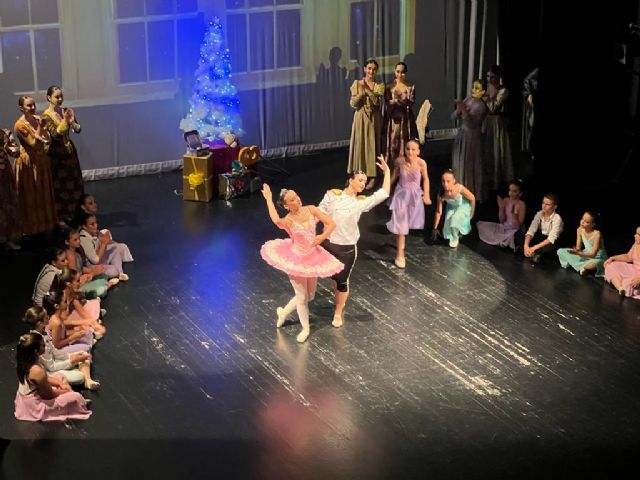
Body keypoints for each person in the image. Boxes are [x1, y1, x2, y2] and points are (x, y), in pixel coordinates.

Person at [260, 185, 343, 343]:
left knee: (310, 296)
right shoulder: (289, 220)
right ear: (286, 206)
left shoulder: (311, 209)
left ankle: (284, 313)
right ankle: (305, 328)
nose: (297, 199)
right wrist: (269, 199)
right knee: (302, 296)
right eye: (292, 199)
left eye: (296, 196)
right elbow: (276, 220)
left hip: (313, 258)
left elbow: (331, 223)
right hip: (296, 259)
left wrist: (321, 237)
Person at [319, 155, 391, 327]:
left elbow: (384, 193)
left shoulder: (360, 202)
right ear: (350, 180)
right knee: (333, 279)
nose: (363, 184)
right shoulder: (332, 195)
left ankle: (338, 312)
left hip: (347, 249)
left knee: (342, 281)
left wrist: (387, 172)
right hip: (328, 245)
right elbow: (318, 213)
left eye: (365, 182)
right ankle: (335, 298)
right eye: (360, 180)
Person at [14, 332, 91, 422]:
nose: (45, 347)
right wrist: (66, 391)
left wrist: (60, 383)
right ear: (36, 351)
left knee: (60, 377)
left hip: (31, 395)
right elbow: (48, 395)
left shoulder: (27, 361)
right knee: (76, 397)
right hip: (34, 406)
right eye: (43, 345)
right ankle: (75, 402)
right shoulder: (36, 371)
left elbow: (46, 378)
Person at [14, 95, 57, 236]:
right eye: (29, 106)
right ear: (21, 108)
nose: (33, 108)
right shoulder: (19, 125)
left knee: (44, 194)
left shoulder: (38, 119)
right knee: (32, 196)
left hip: (41, 161)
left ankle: (45, 226)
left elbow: (47, 140)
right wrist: (42, 128)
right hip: (29, 164)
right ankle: (32, 230)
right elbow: (34, 143)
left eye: (33, 105)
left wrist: (43, 129)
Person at [386, 139, 431, 268]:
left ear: (418, 151)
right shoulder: (400, 161)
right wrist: (386, 189)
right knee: (401, 224)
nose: (410, 152)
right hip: (401, 195)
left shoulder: (422, 163)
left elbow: (426, 179)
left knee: (406, 223)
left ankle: (399, 242)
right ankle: (400, 253)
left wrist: (426, 194)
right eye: (407, 149)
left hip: (415, 196)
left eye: (413, 149)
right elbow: (394, 177)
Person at [42, 85, 84, 221]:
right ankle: (62, 217)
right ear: (49, 98)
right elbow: (55, 135)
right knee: (61, 185)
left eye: (61, 96)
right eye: (57, 97)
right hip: (57, 155)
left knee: (74, 181)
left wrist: (72, 122)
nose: (60, 99)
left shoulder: (66, 111)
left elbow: (77, 129)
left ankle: (76, 212)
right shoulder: (46, 116)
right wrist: (66, 121)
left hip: (69, 152)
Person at [22, 305, 90, 386]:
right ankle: (82, 375)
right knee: (79, 377)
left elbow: (55, 352)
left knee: (84, 354)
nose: (48, 317)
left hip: (55, 362)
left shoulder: (44, 333)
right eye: (46, 317)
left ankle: (88, 380)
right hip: (50, 372)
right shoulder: (38, 343)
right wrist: (71, 361)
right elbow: (51, 367)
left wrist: (70, 356)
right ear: (40, 323)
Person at [347, 58, 385, 189]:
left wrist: (367, 91)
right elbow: (353, 104)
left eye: (374, 69)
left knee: (372, 146)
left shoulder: (379, 85)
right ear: (364, 69)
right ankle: (358, 174)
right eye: (369, 68)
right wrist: (360, 95)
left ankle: (373, 175)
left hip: (374, 119)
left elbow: (375, 102)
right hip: (360, 118)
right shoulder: (356, 83)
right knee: (360, 145)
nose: (371, 71)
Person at [451, 80, 488, 202]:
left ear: (483, 91)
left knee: (469, 164)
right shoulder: (468, 100)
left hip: (472, 137)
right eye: (473, 87)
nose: (473, 90)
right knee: (459, 162)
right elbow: (454, 116)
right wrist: (459, 110)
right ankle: (459, 190)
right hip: (463, 134)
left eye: (477, 88)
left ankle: (471, 193)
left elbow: (472, 123)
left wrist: (464, 110)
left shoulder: (482, 106)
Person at [482, 65, 514, 200]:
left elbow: (493, 108)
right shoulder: (485, 88)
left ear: (498, 77)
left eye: (493, 77)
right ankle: (486, 179)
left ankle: (496, 182)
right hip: (485, 122)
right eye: (488, 76)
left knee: (496, 150)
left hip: (496, 124)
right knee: (486, 150)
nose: (490, 79)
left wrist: (484, 97)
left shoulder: (503, 91)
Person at [75, 194, 134, 262]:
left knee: (106, 232)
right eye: (90, 203)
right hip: (93, 252)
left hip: (98, 243)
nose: (94, 205)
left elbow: (99, 235)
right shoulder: (83, 225)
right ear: (83, 207)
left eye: (94, 202)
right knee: (122, 247)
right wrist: (106, 242)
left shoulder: (91, 218)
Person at [78, 212, 130, 281]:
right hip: (90, 266)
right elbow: (95, 260)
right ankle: (116, 273)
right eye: (92, 224)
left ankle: (120, 274)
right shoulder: (84, 239)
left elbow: (101, 246)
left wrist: (105, 239)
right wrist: (104, 243)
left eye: (96, 223)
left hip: (99, 258)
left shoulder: (93, 232)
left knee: (115, 250)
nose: (95, 226)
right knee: (114, 270)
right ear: (84, 226)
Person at [383, 62, 418, 166]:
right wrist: (394, 101)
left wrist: (403, 100)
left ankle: (406, 168)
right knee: (393, 144)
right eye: (398, 71)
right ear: (395, 72)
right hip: (394, 119)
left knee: (405, 142)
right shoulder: (389, 86)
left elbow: (411, 102)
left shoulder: (410, 86)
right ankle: (393, 169)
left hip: (406, 119)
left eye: (402, 72)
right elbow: (386, 102)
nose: (400, 74)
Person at [477, 179, 526, 249]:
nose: (511, 193)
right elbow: (502, 221)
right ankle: (502, 241)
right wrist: (501, 208)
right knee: (482, 225)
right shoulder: (506, 200)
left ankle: (504, 241)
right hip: (504, 228)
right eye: (510, 190)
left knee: (512, 236)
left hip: (514, 230)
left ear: (520, 193)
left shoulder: (522, 205)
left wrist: (513, 215)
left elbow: (518, 227)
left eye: (514, 191)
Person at [432, 169, 475, 248]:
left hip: (463, 206)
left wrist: (471, 214)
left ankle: (455, 237)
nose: (445, 184)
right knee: (448, 221)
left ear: (454, 181)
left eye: (448, 181)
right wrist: (435, 227)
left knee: (455, 218)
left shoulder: (459, 188)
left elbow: (472, 198)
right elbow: (438, 212)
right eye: (443, 181)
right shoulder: (441, 194)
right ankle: (454, 235)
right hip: (452, 208)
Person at [515, 194, 563, 264]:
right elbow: (531, 231)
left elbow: (550, 239)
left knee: (551, 248)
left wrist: (533, 248)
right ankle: (531, 253)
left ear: (554, 207)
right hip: (540, 238)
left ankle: (527, 251)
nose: (544, 206)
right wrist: (526, 246)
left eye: (548, 204)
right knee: (518, 234)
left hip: (549, 241)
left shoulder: (557, 218)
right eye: (543, 203)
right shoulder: (539, 214)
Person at [557, 212, 608, 276]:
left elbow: (593, 254)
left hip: (597, 257)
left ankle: (582, 267)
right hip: (585, 254)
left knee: (593, 265)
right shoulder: (579, 230)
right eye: (582, 219)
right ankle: (583, 268)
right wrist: (575, 250)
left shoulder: (597, 234)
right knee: (560, 251)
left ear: (593, 225)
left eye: (586, 222)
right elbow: (578, 247)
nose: (582, 222)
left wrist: (578, 253)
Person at [604, 226, 640, 299]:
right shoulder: (636, 244)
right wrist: (613, 258)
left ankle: (626, 286)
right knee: (610, 265)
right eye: (636, 233)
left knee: (630, 285)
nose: (635, 236)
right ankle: (620, 288)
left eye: (639, 234)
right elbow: (628, 257)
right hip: (633, 269)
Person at [0, 128, 21, 250]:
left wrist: (7, 145)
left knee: (7, 206)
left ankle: (7, 239)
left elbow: (16, 153)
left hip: (5, 177)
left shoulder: (6, 133)